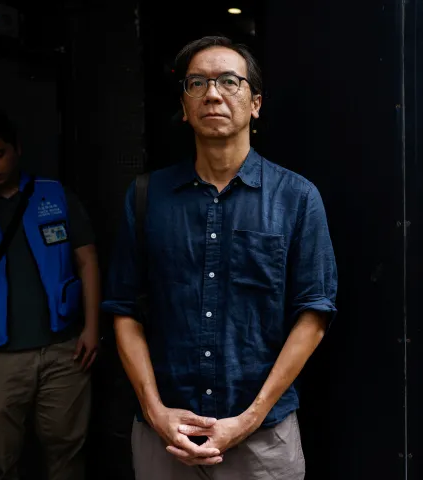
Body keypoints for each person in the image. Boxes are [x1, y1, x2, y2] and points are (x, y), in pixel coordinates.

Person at [102, 36, 338, 479]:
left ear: (255, 103)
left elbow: (314, 314)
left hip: (263, 437)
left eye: (229, 81)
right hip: (164, 436)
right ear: (185, 106)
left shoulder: (297, 198)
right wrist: (155, 412)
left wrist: (247, 419)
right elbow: (123, 310)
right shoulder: (146, 198)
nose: (213, 93)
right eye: (197, 83)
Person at [0, 109, 100, 480]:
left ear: (17, 150)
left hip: (63, 349)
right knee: (1, 456)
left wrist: (90, 328)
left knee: (67, 448)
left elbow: (87, 262)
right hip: (1, 358)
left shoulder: (53, 195)